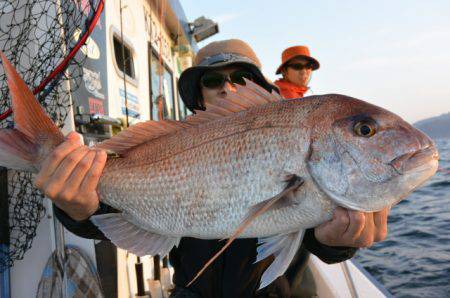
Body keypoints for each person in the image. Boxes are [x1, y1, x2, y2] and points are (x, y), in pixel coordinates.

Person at [36, 39, 390, 297]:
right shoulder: (169, 144)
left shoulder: (293, 140)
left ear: (260, 87)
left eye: (241, 76)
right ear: (198, 94)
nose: (228, 87)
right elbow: (107, 218)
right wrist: (77, 211)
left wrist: (338, 245)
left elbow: (313, 232)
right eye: (212, 80)